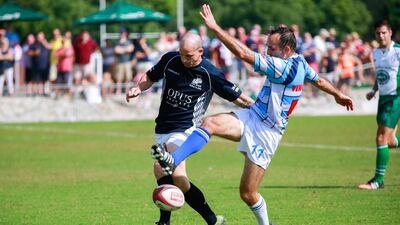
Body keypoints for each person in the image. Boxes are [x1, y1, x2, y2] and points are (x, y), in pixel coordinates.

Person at [152, 5, 354, 225]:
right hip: (254, 116)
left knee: (248, 193)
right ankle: (173, 160)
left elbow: (242, 53)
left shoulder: (282, 67)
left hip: (269, 132)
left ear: (286, 49)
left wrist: (215, 28)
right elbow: (319, 80)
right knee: (209, 122)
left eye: (272, 48)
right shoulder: (301, 63)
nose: (267, 51)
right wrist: (338, 94)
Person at [126, 32, 253, 225]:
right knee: (179, 181)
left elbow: (239, 98)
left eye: (189, 55)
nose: (184, 59)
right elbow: (150, 76)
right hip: (162, 128)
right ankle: (213, 220)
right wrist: (138, 88)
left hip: (185, 130)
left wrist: (260, 111)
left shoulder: (210, 73)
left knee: (164, 168)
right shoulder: (170, 60)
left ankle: (164, 223)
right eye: (182, 54)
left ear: (200, 51)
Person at [358, 20, 400, 190]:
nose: (381, 36)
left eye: (384, 32)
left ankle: (378, 181)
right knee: (389, 141)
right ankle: (378, 180)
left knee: (380, 137)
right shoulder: (375, 52)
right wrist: (374, 90)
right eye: (378, 33)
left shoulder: (397, 51)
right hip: (383, 98)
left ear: (390, 32)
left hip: (395, 98)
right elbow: (380, 75)